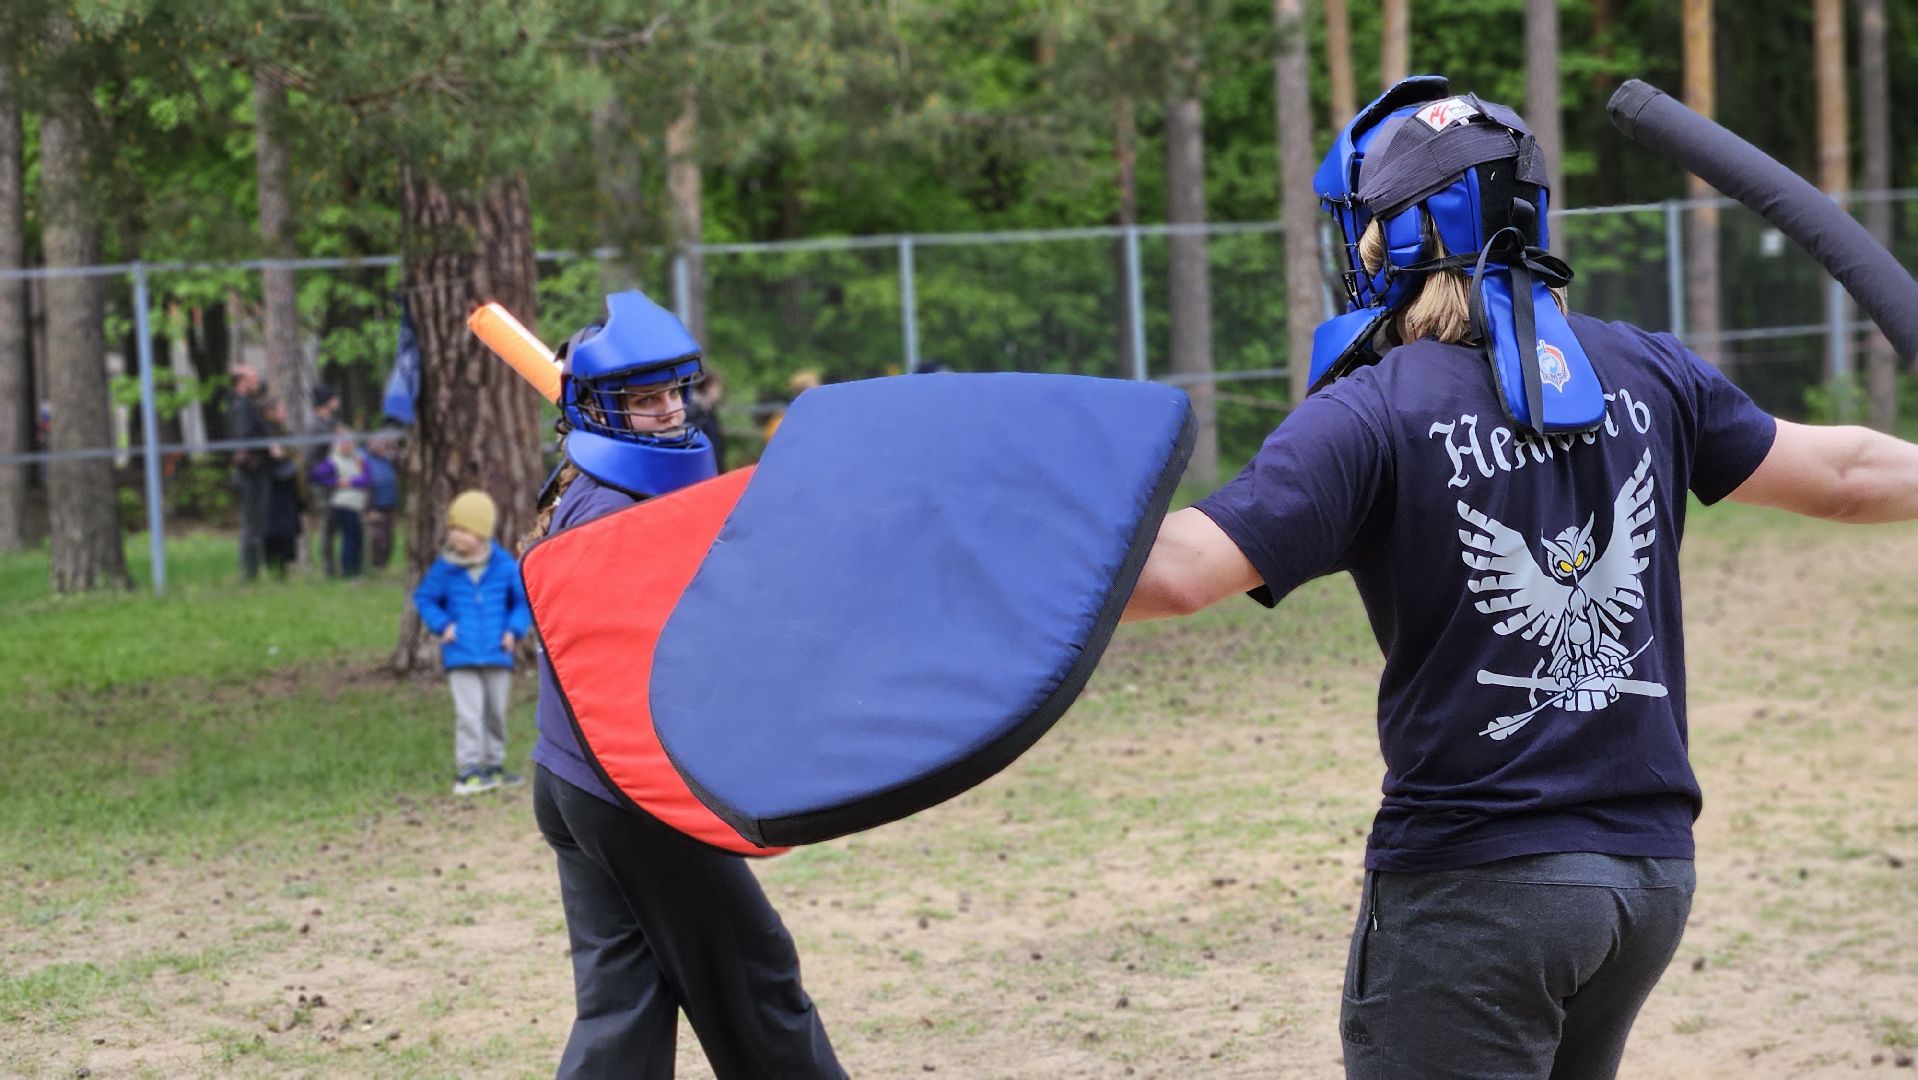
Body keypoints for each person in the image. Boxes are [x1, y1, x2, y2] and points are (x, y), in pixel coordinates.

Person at [1119, 78, 1918, 1080]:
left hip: (1477, 888)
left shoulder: (1374, 409)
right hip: (1644, 883)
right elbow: (1843, 474)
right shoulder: (1648, 372)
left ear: (1391, 244)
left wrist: (974, 532)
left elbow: (1176, 573)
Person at [523, 291, 842, 1078]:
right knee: (754, 983)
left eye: (675, 391)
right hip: (630, 788)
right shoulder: (606, 513)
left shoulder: (592, 491)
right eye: (644, 399)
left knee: (623, 1015)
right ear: (597, 409)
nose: (669, 411)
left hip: (574, 782)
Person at [413, 490, 531, 795]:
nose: (456, 535)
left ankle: (494, 765)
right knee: (469, 714)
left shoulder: (504, 566)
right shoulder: (444, 568)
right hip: (461, 655)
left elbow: (523, 602)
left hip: (498, 653)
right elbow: (425, 598)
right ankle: (469, 770)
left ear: (481, 532)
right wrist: (442, 625)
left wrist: (513, 630)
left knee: (495, 713)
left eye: (463, 530)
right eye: (453, 529)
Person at [226, 365, 272, 581]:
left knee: (255, 523)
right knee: (252, 523)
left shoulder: (246, 405)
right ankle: (249, 574)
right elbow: (244, 438)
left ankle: (253, 571)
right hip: (251, 474)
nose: (258, 382)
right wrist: (266, 449)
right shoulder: (242, 406)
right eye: (253, 378)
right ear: (242, 382)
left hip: (257, 472)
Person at [309, 428, 370, 578]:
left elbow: (367, 479)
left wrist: (350, 481)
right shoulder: (333, 460)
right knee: (349, 537)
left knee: (357, 538)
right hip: (343, 503)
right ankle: (348, 570)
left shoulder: (359, 459)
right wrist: (335, 482)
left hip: (357, 503)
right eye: (344, 443)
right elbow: (316, 475)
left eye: (350, 443)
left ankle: (356, 568)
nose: (348, 446)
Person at [260, 398, 304, 578]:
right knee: (274, 531)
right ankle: (274, 568)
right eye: (280, 410)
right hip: (273, 488)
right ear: (270, 412)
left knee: (287, 531)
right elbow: (273, 456)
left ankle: (285, 567)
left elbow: (290, 453)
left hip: (288, 487)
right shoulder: (265, 431)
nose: (284, 413)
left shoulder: (284, 432)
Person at [305, 384, 343, 572]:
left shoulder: (332, 423)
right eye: (334, 398)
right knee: (327, 524)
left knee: (337, 524)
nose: (338, 401)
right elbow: (310, 458)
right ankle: (329, 567)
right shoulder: (315, 425)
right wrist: (323, 475)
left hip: (337, 481)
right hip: (322, 483)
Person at [363, 432, 402, 572]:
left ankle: (384, 564)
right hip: (374, 504)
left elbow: (400, 464)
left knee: (389, 537)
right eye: (379, 444)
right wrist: (368, 508)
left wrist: (394, 447)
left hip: (389, 504)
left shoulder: (387, 459)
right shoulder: (365, 459)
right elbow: (366, 485)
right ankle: (376, 565)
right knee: (377, 537)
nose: (382, 448)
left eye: (383, 445)